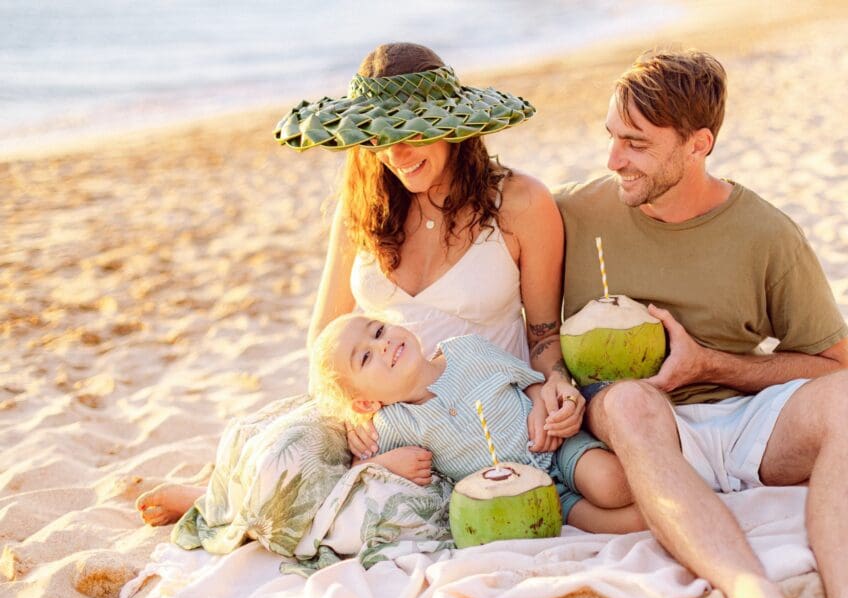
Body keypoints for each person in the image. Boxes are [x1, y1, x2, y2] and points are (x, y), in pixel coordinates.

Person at [137, 42, 597, 526]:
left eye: (411, 130)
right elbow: (325, 337)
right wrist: (352, 414)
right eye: (379, 134)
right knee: (281, 450)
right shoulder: (362, 209)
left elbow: (543, 333)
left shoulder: (521, 202)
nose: (396, 153)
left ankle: (230, 505)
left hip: (486, 424)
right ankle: (217, 500)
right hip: (383, 423)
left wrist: (556, 382)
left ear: (453, 125)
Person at [556, 50, 848, 598]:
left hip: (749, 423)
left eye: (635, 143)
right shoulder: (575, 213)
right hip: (647, 434)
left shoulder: (766, 235)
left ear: (699, 144)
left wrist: (709, 363)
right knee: (628, 400)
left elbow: (834, 369)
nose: (613, 160)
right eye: (611, 136)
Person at [307, 313, 644, 532]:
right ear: (366, 401)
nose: (383, 344)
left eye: (378, 330)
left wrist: (544, 406)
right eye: (365, 356)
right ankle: (664, 517)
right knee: (615, 523)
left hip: (557, 446)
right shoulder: (394, 423)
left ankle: (659, 489)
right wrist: (386, 463)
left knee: (611, 483)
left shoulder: (466, 350)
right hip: (522, 495)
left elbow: (529, 381)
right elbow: (360, 474)